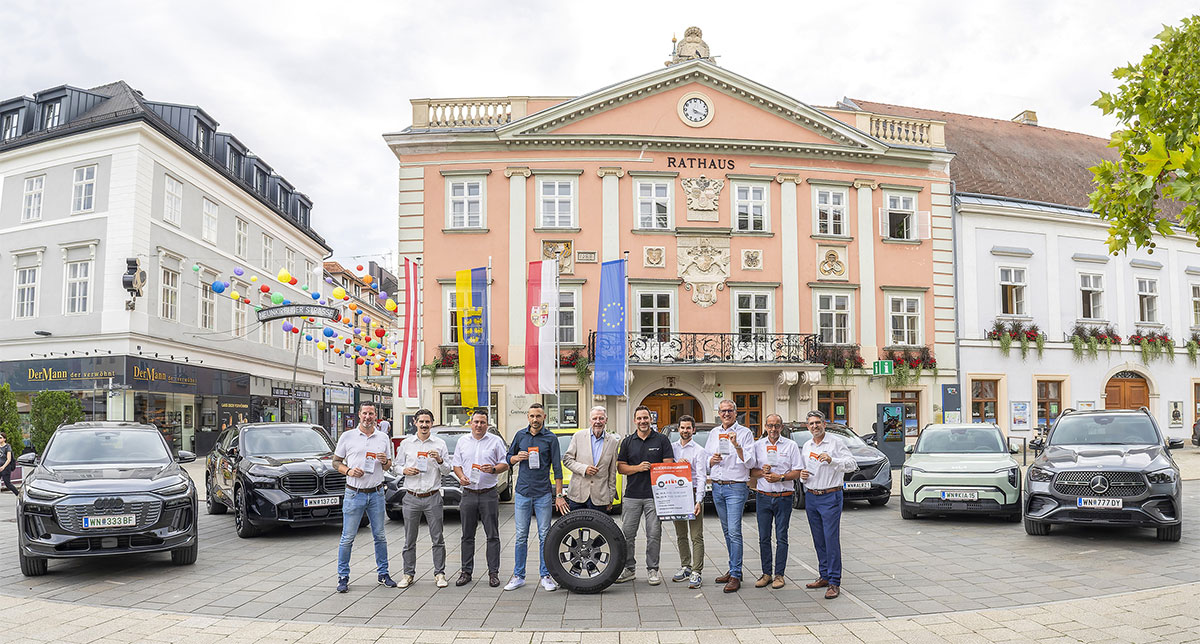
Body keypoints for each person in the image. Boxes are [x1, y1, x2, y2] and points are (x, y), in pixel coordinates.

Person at [332, 402, 396, 593]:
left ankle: (383, 574)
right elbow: (335, 462)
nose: (368, 417)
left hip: (376, 493)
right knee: (347, 537)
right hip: (354, 493)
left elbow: (388, 465)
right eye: (365, 413)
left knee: (380, 536)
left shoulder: (383, 437)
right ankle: (343, 576)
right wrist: (349, 471)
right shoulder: (347, 436)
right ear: (359, 415)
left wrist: (385, 462)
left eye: (371, 414)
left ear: (376, 416)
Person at [505, 403, 569, 592]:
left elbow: (557, 469)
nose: (535, 419)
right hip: (523, 492)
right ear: (528, 417)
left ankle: (545, 576)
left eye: (538, 416)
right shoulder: (520, 435)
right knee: (521, 536)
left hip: (543, 493)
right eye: (532, 416)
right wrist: (516, 458)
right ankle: (519, 576)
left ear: (544, 417)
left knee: (545, 536)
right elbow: (508, 458)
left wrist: (559, 495)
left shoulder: (551, 438)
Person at [799, 410, 858, 599]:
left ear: (824, 424)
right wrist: (802, 476)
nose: (814, 426)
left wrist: (833, 460)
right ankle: (824, 575)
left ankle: (834, 581)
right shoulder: (807, 446)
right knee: (818, 539)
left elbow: (852, 464)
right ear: (807, 427)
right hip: (812, 496)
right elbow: (804, 471)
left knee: (830, 539)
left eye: (818, 422)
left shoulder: (835, 442)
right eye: (811, 423)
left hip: (830, 495)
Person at [615, 405, 674, 585]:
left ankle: (652, 569)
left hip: (654, 495)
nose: (643, 421)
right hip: (632, 495)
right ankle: (629, 569)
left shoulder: (662, 440)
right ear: (635, 421)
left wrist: (654, 468)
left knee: (654, 534)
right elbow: (620, 468)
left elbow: (668, 465)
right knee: (627, 534)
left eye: (645, 418)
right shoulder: (627, 441)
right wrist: (638, 468)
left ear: (651, 419)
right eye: (639, 418)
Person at [451, 409, 509, 588]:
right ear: (471, 423)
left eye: (482, 422)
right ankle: (466, 572)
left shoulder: (495, 441)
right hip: (468, 493)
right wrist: (461, 477)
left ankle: (493, 573)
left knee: (492, 535)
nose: (479, 425)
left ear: (487, 424)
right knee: (467, 535)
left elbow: (505, 464)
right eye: (476, 422)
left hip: (488, 494)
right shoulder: (462, 441)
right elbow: (456, 465)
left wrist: (493, 469)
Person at [705, 398, 757, 592]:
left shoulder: (745, 433)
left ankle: (735, 574)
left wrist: (737, 446)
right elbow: (705, 459)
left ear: (736, 413)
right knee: (727, 531)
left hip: (735, 487)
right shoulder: (713, 433)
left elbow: (751, 463)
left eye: (729, 411)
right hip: (717, 487)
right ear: (719, 414)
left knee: (734, 531)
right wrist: (712, 460)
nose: (726, 414)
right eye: (723, 411)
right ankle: (733, 568)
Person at [396, 409, 450, 589]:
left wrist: (440, 460)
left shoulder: (440, 444)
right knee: (409, 539)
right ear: (415, 422)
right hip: (411, 496)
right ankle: (408, 574)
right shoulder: (406, 444)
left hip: (432, 496)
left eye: (427, 422)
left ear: (432, 423)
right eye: (421, 422)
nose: (424, 425)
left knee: (438, 538)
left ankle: (439, 573)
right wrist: (404, 470)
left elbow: (447, 471)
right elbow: (396, 466)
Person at [749, 414, 803, 589]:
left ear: (781, 427)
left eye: (777, 426)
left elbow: (798, 471)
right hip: (764, 496)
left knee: (781, 537)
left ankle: (779, 574)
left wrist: (780, 477)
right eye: (770, 425)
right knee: (764, 537)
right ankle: (766, 573)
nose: (773, 429)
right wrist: (762, 472)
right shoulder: (757, 446)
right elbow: (751, 472)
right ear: (765, 426)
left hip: (783, 497)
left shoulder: (790, 445)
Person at [670, 415, 707, 589]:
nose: (685, 431)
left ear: (693, 430)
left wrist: (699, 500)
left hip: (692, 494)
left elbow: (701, 477)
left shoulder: (699, 451)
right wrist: (677, 464)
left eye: (688, 428)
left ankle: (697, 571)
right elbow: (666, 469)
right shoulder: (672, 448)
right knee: (681, 534)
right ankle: (686, 566)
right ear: (678, 429)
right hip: (677, 495)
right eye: (683, 427)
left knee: (696, 535)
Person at [562, 406, 620, 511]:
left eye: (601, 418)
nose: (598, 421)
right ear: (590, 420)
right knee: (576, 522)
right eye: (594, 418)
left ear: (606, 420)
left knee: (598, 522)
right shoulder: (578, 436)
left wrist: (611, 497)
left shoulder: (613, 442)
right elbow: (567, 460)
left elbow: (612, 472)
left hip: (600, 497)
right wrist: (584, 469)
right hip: (578, 495)